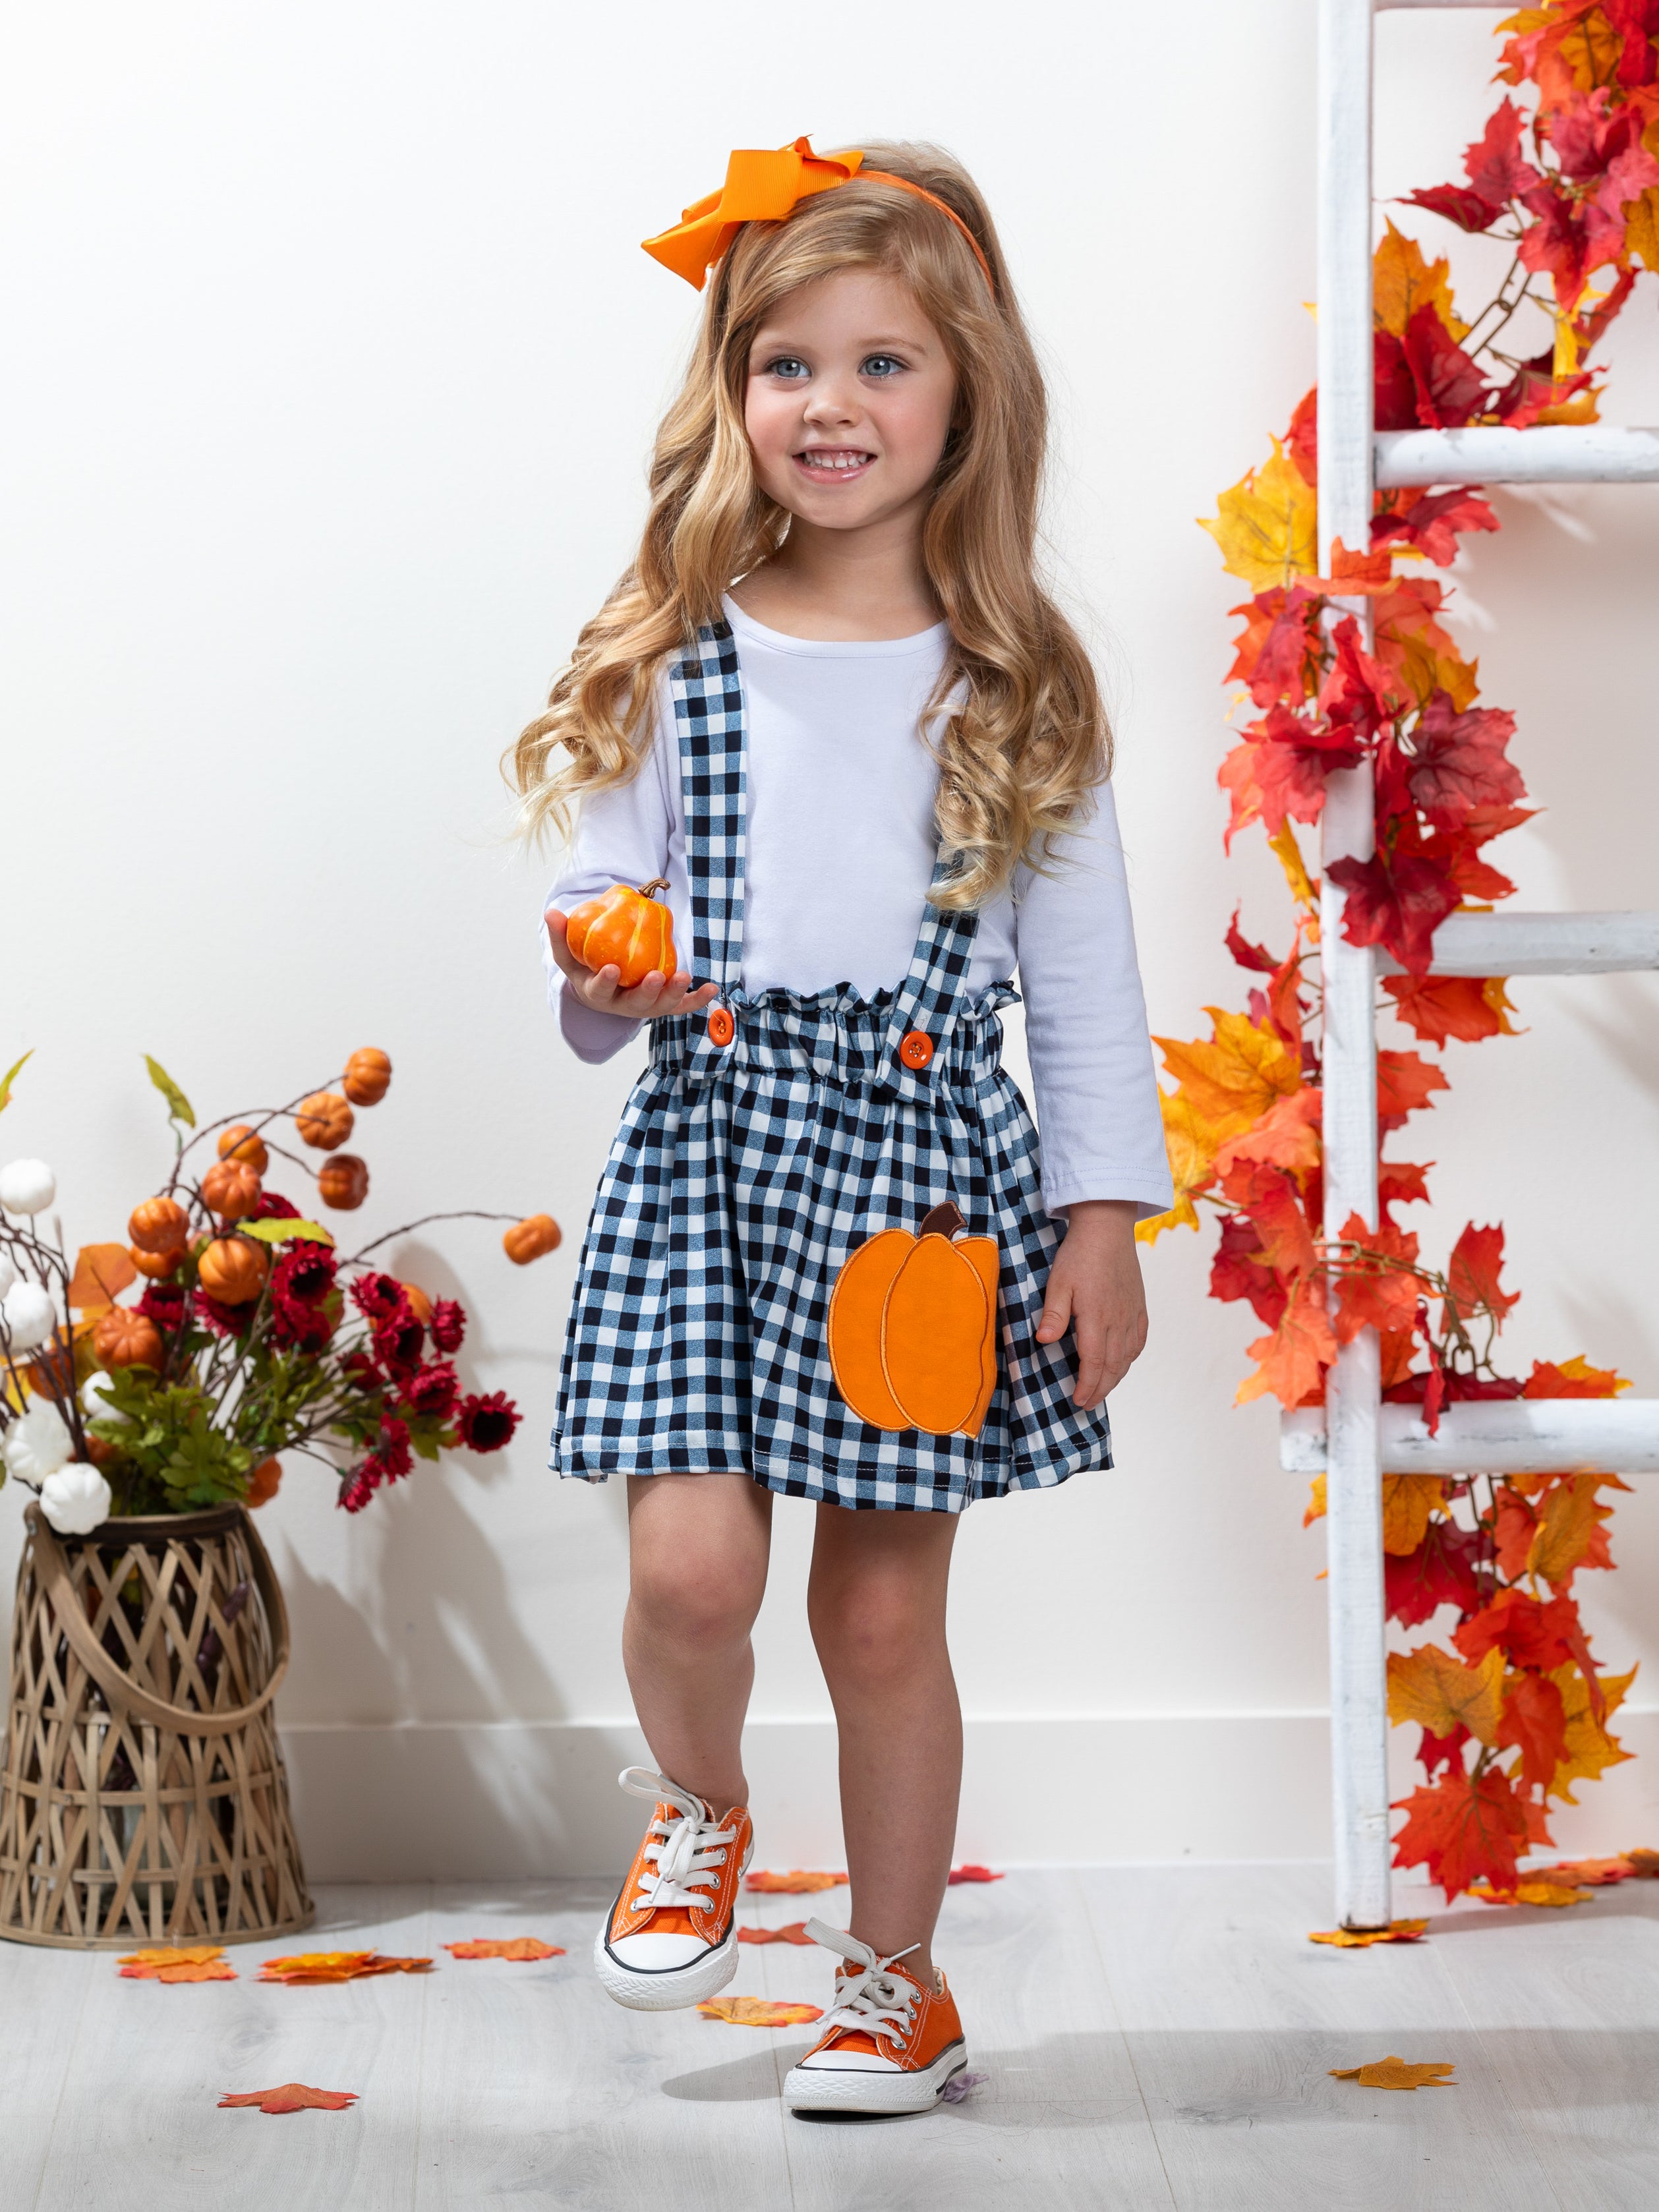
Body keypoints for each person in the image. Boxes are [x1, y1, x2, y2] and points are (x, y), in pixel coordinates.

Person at [512, 137, 1172, 2117]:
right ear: (732, 391)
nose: (833, 404)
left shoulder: (1015, 682)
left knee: (879, 1613)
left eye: (886, 363)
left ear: (971, 394)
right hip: (710, 1168)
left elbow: (1085, 978)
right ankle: (700, 1807)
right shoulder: (669, 652)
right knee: (690, 1579)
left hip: (919, 1191)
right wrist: (604, 964)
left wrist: (1105, 1218)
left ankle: (896, 1983)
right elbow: (594, 914)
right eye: (788, 363)